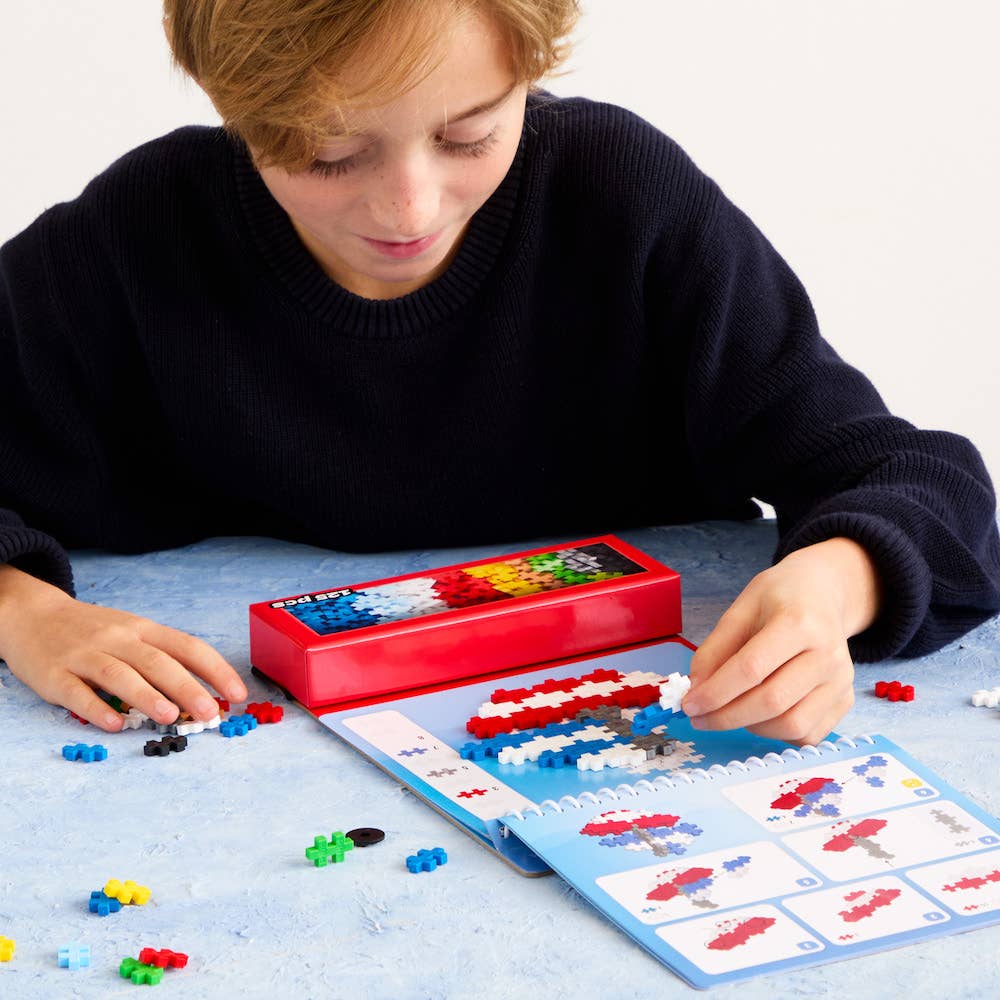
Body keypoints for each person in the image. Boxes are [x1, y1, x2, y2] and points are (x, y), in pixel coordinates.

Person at [1, 0, 997, 745]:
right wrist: (25, 613)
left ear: (530, 69)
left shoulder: (622, 203)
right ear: (236, 106)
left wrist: (832, 585)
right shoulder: (135, 241)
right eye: (330, 153)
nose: (409, 207)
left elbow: (916, 478)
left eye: (468, 134)